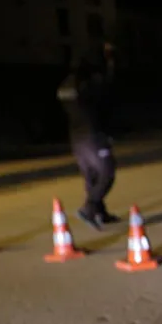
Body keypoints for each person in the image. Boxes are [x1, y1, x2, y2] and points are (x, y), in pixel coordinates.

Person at [57, 45, 119, 230]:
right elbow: (108, 87)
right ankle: (89, 208)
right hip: (93, 134)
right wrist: (110, 61)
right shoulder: (88, 83)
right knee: (107, 172)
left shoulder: (64, 86)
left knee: (91, 174)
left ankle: (100, 212)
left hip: (76, 136)